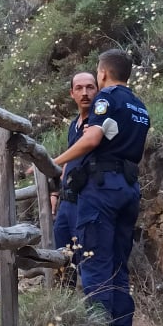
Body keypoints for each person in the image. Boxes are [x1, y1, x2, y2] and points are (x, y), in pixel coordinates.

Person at [53, 49, 150, 326]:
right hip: (129, 187)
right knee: (118, 267)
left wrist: (55, 160)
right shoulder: (139, 106)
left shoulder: (106, 98)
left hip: (103, 188)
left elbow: (93, 138)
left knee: (94, 263)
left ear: (103, 73)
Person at [51, 72, 98, 286]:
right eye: (79, 88)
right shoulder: (74, 125)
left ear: (98, 90)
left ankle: (91, 302)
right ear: (72, 93)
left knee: (87, 257)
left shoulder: (98, 123)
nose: (85, 93)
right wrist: (55, 192)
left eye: (90, 87)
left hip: (88, 198)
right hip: (67, 201)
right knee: (62, 254)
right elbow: (69, 160)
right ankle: (64, 301)